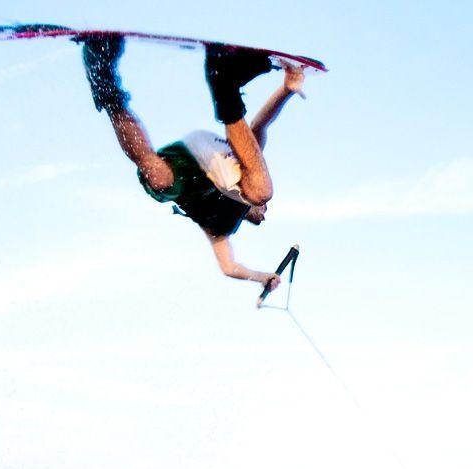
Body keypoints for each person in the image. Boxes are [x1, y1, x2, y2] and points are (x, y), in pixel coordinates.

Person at [79, 35, 308, 298]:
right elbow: (260, 126)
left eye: (264, 212)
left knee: (158, 179)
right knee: (259, 189)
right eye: (265, 210)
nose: (265, 213)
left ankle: (103, 77)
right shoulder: (247, 175)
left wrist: (261, 277)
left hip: (181, 171)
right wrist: (286, 90)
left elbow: (229, 267)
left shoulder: (220, 228)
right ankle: (224, 83)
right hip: (206, 151)